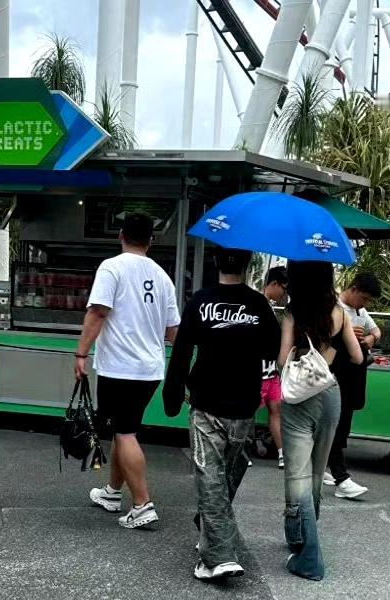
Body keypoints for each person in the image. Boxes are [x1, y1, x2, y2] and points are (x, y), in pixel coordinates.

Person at [163, 247, 281, 580]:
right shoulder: (259, 305)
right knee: (223, 472)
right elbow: (272, 350)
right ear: (248, 263)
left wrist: (172, 395)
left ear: (215, 262)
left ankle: (216, 551)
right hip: (244, 403)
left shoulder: (200, 301)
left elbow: (182, 351)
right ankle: (213, 538)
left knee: (213, 474)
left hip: (207, 400)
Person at [75, 212, 180, 529]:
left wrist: (81, 352)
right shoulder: (162, 276)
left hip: (119, 367)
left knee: (125, 432)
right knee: (125, 428)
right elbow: (173, 330)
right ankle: (111, 492)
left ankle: (142, 504)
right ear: (151, 240)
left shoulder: (112, 267)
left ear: (120, 235)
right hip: (150, 370)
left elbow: (98, 312)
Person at [279, 261, 363, 581]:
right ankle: (300, 537)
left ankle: (310, 557)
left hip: (299, 398)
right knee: (315, 473)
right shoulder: (340, 312)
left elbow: (281, 359)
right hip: (330, 394)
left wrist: (301, 352)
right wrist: (330, 351)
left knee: (297, 476)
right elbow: (357, 357)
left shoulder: (293, 312)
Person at [324, 272, 382, 498]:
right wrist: (345, 334)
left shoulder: (360, 311)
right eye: (364, 298)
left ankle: (323, 466)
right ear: (354, 289)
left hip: (352, 375)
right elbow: (325, 344)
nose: (365, 304)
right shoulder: (334, 308)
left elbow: (376, 330)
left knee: (341, 422)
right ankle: (341, 476)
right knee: (336, 424)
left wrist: (369, 339)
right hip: (336, 373)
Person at [260, 266, 288, 468]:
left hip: (271, 371)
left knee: (276, 409)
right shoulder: (258, 304)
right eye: (284, 289)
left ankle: (281, 453)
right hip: (259, 370)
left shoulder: (268, 306)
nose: (284, 294)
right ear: (275, 284)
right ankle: (240, 450)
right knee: (249, 411)